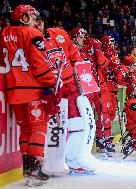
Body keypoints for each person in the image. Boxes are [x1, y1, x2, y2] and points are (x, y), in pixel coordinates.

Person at [0, 5, 56, 186]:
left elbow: (0, 56)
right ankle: (35, 171)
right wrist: (52, 82)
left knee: (26, 130)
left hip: (13, 92)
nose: (36, 20)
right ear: (23, 17)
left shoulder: (4, 34)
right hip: (33, 90)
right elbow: (39, 64)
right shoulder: (33, 34)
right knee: (38, 128)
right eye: (32, 16)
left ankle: (28, 169)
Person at [36, 18, 99, 174]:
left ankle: (73, 158)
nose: (37, 25)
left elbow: (75, 56)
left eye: (39, 21)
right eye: (33, 23)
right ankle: (55, 160)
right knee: (54, 126)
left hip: (70, 86)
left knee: (78, 122)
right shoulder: (32, 42)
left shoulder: (59, 34)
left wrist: (83, 81)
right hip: (51, 88)